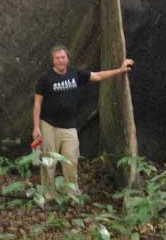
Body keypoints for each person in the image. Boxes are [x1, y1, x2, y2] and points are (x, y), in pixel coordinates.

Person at [32, 44, 134, 196]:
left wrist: (120, 70)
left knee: (71, 160)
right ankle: (48, 195)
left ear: (67, 59)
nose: (60, 61)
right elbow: (37, 103)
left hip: (69, 126)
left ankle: (71, 193)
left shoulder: (75, 74)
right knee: (49, 161)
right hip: (49, 125)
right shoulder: (45, 78)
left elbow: (98, 76)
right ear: (53, 60)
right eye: (57, 58)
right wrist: (36, 127)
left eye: (63, 57)